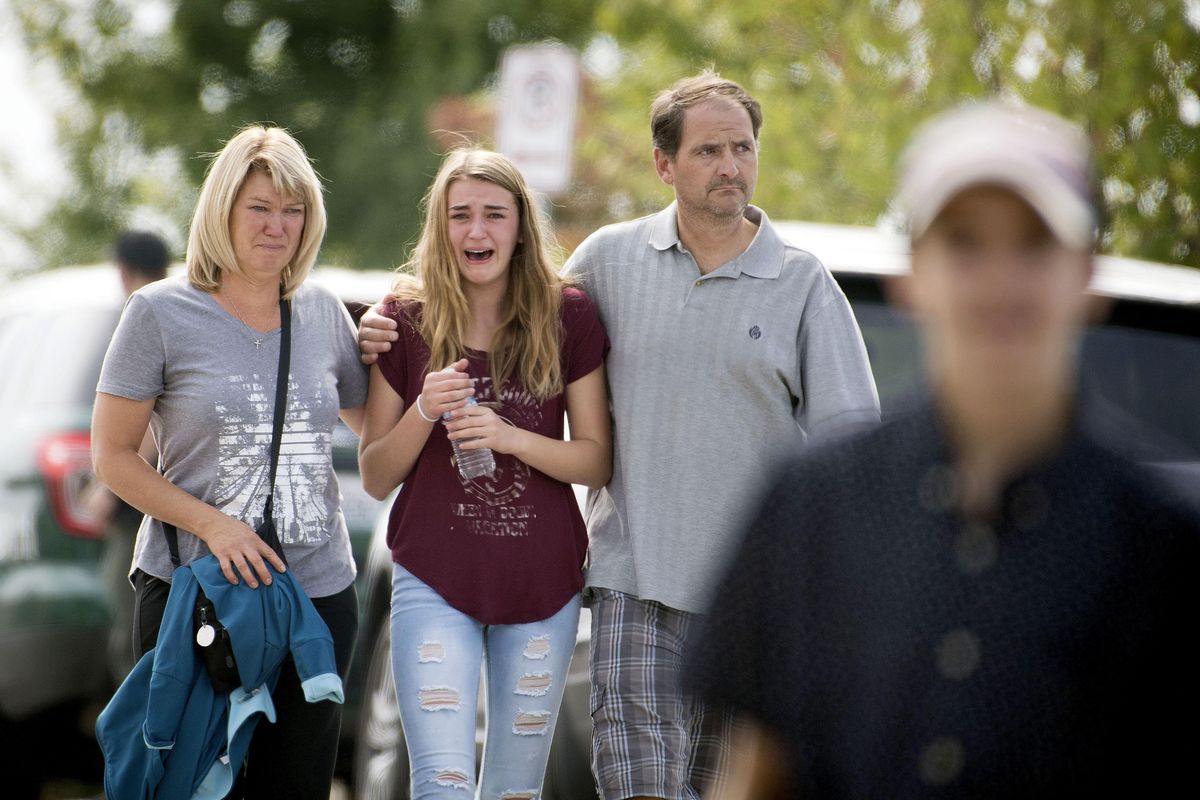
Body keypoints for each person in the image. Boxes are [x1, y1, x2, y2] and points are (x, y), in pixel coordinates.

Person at [357, 71, 880, 799]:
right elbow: (514, 310)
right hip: (635, 580)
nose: (731, 166)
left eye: (742, 148)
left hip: (751, 599)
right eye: (709, 151)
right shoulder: (608, 262)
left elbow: (854, 456)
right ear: (665, 165)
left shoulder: (803, 286)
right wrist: (390, 327)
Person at [686, 102, 1200, 798]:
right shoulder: (812, 503)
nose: (999, 277)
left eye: (1034, 244)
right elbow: (755, 775)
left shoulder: (1159, 542)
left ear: (1084, 274)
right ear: (914, 274)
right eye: (964, 242)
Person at [91, 125, 367, 799]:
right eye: (261, 208)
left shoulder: (325, 312)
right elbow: (113, 457)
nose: (280, 226)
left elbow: (374, 430)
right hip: (196, 593)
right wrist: (214, 525)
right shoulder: (159, 313)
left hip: (316, 596)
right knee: (185, 785)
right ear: (223, 210)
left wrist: (398, 345)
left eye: (294, 210)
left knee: (293, 787)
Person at [357, 146, 611, 798]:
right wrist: (422, 410)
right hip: (434, 577)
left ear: (521, 225)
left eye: (494, 215)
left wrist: (509, 437)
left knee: (514, 790)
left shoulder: (569, 314)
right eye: (460, 215)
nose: (477, 231)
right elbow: (376, 475)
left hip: (544, 581)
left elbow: (595, 457)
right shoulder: (404, 317)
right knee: (440, 784)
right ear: (440, 227)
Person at [87, 230, 170, 682]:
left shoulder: (145, 314)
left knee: (132, 634)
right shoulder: (183, 307)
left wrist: (105, 490)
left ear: (123, 270)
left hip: (139, 500)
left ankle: (140, 744)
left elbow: (150, 419)